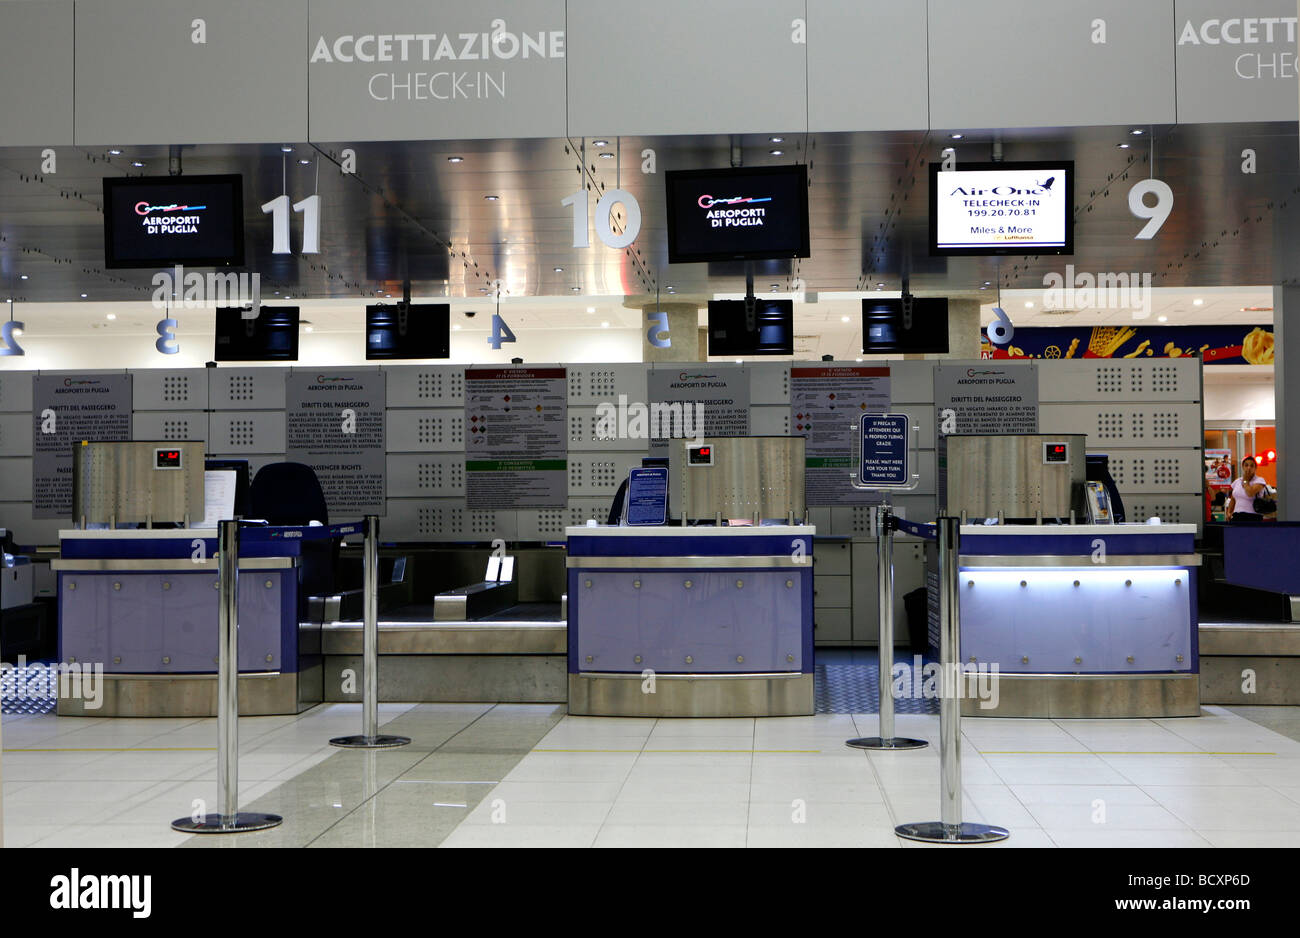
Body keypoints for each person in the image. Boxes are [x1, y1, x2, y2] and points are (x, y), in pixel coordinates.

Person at [1226, 456, 1267, 524]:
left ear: (1255, 468)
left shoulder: (1259, 481)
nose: (1249, 468)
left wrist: (1245, 480)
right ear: (1243, 467)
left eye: (1251, 466)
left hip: (1253, 516)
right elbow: (1233, 499)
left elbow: (1250, 493)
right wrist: (1229, 512)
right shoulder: (1237, 481)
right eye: (1246, 465)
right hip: (1237, 515)